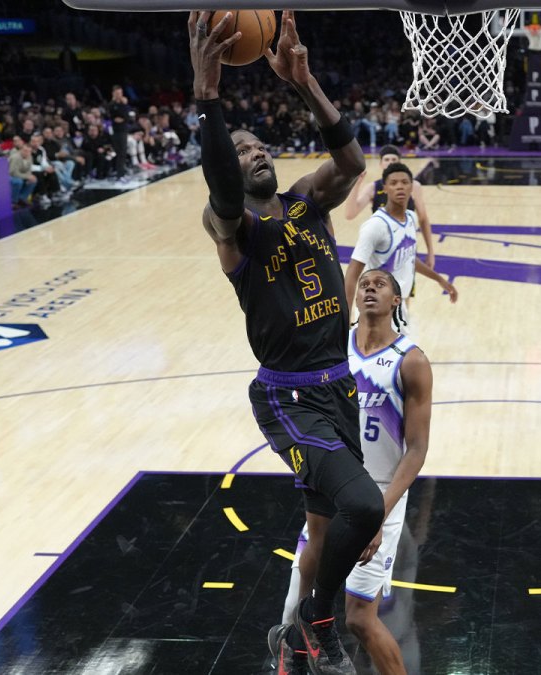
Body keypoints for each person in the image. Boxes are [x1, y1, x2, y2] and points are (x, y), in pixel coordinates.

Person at [188, 11, 381, 675]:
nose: (256, 152)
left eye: (258, 145)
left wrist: (304, 81)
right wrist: (208, 97)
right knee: (365, 502)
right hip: (288, 395)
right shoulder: (231, 226)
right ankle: (313, 621)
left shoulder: (305, 200)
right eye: (241, 152)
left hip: (337, 384)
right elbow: (217, 184)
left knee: (334, 524)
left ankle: (301, 633)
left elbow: (353, 161)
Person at [279, 268, 435, 675]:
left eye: (380, 284)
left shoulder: (411, 361)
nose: (369, 287)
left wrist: (376, 514)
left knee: (359, 618)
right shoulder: (333, 349)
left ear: (396, 301)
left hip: (382, 492)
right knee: (296, 606)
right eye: (365, 283)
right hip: (333, 487)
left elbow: (417, 450)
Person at [345, 162, 457, 332]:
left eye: (404, 183)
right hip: (374, 310)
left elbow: (408, 258)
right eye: (394, 183)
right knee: (410, 358)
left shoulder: (411, 218)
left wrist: (439, 279)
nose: (400, 187)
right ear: (385, 188)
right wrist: (345, 318)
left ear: (412, 187)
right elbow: (352, 275)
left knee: (408, 356)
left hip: (397, 306)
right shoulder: (375, 226)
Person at [344, 145, 436, 270]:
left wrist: (430, 252)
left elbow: (423, 219)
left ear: (400, 163)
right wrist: (356, 184)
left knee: (406, 288)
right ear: (381, 164)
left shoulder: (414, 186)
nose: (390, 162)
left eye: (394, 160)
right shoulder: (373, 187)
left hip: (405, 247)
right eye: (387, 160)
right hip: (381, 249)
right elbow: (350, 214)